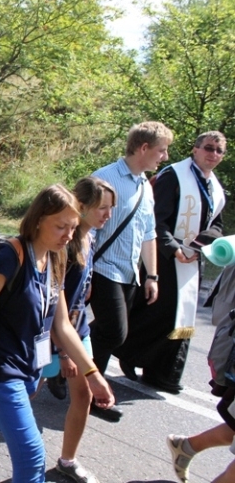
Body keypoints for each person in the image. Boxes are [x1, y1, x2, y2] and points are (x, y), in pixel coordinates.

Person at [0, 184, 115, 483]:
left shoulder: (57, 257)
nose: (69, 235)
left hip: (30, 369)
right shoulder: (10, 256)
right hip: (0, 371)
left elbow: (62, 326)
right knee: (31, 458)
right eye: (60, 226)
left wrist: (93, 375)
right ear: (39, 219)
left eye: (72, 226)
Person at [116, 131, 226, 394]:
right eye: (209, 148)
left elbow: (217, 226)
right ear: (195, 149)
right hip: (165, 257)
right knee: (156, 313)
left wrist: (200, 246)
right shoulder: (174, 176)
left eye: (219, 151)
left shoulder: (215, 187)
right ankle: (128, 353)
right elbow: (155, 218)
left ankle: (164, 373)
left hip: (190, 258)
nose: (213, 154)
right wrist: (174, 248)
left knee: (180, 319)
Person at [88, 121, 173, 422]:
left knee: (110, 332)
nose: (164, 157)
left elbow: (149, 232)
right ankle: (91, 392)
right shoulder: (105, 178)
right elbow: (86, 228)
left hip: (129, 273)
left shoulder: (146, 187)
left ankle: (74, 363)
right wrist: (83, 272)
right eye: (161, 151)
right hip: (102, 268)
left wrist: (152, 275)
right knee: (114, 330)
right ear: (144, 148)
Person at [41, 177, 116, 483]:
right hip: (53, 336)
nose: (108, 215)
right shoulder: (65, 246)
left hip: (78, 328)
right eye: (102, 208)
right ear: (81, 207)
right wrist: (64, 353)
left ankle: (67, 460)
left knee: (83, 395)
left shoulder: (89, 238)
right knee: (24, 393)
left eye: (111, 208)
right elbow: (53, 307)